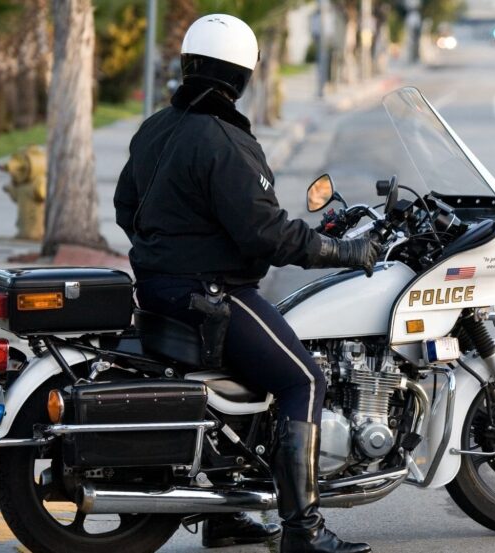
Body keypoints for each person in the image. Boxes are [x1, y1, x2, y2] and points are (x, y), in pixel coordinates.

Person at [113, 14, 377, 553]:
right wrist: (343, 251)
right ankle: (303, 530)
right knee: (304, 381)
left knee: (248, 388)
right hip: (212, 294)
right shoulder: (224, 141)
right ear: (241, 76)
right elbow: (267, 234)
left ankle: (227, 516)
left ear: (188, 64)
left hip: (160, 290)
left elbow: (125, 207)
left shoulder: (155, 128)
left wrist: (170, 247)